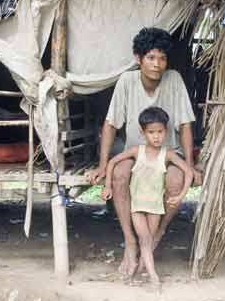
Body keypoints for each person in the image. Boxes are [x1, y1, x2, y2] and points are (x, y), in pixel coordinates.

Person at [84, 27, 202, 277]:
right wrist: (103, 165)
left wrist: (189, 164)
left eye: (162, 58)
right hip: (135, 153)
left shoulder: (174, 80)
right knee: (118, 174)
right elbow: (110, 124)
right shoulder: (127, 81)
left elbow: (185, 126)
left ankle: (156, 235)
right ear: (138, 59)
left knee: (176, 179)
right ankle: (130, 241)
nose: (157, 64)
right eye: (150, 57)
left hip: (170, 153)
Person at [101, 107, 193, 287]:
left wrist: (181, 195)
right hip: (137, 207)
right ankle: (153, 278)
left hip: (156, 208)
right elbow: (112, 162)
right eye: (151, 132)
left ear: (166, 132)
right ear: (143, 133)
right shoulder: (137, 151)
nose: (156, 136)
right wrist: (107, 186)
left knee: (148, 240)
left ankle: (138, 268)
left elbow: (188, 172)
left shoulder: (168, 155)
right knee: (144, 239)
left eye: (160, 132)